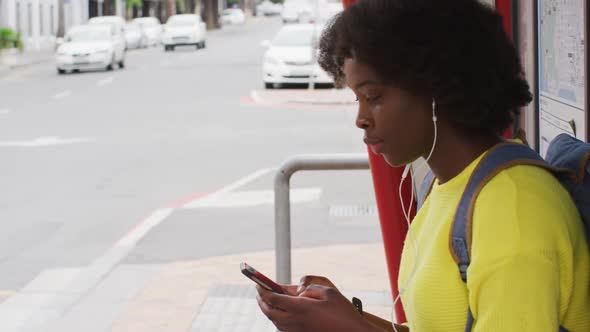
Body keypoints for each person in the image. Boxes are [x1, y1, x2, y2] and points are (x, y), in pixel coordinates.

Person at [255, 0, 590, 331]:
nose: (360, 119)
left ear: (436, 89)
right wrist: (344, 317)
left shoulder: (513, 211)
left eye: (373, 97)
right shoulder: (446, 185)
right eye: (358, 100)